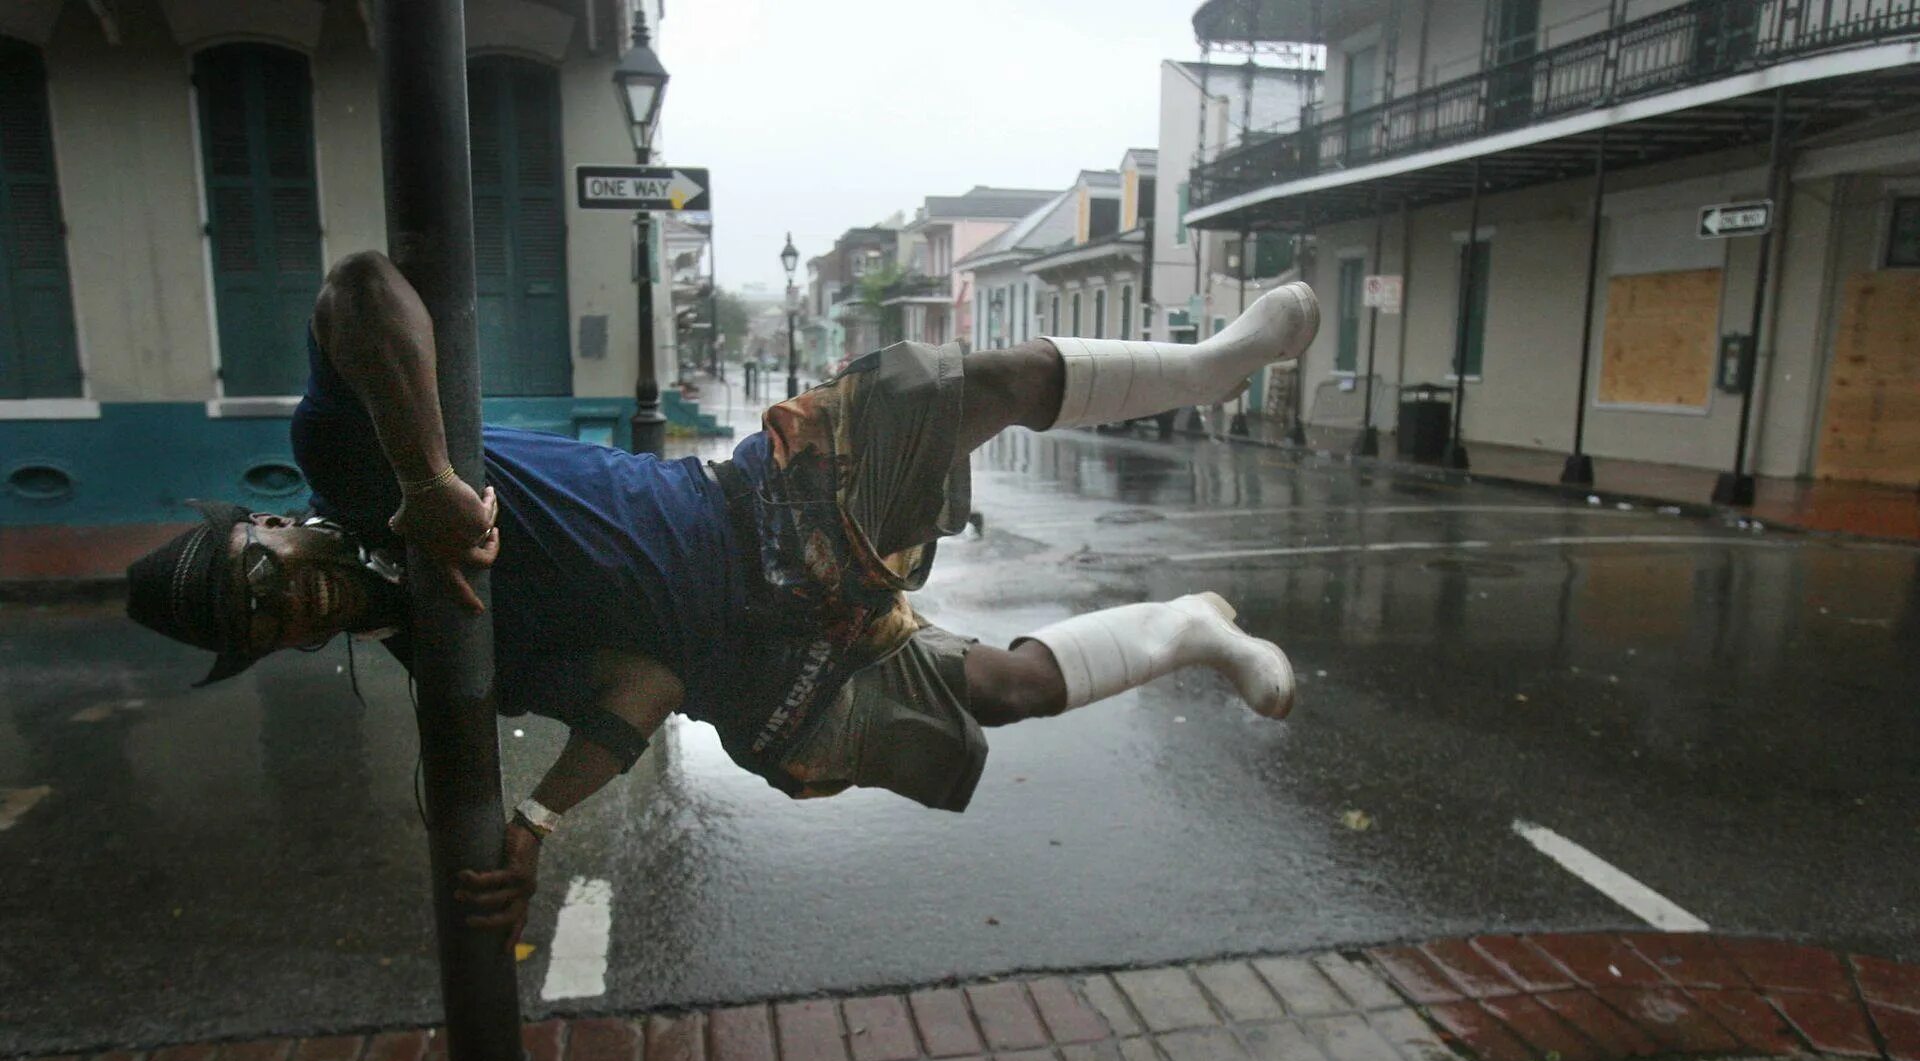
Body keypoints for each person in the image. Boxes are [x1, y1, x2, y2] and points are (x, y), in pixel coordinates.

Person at [125, 251, 1319, 945]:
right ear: (276, 647)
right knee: (999, 693)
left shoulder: (346, 451)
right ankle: (1192, 631)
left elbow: (364, 292)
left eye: (257, 573)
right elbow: (644, 683)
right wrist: (540, 821)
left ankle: (1214, 362)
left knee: (966, 385)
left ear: (264, 525)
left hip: (761, 517)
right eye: (261, 622)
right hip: (765, 678)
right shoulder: (438, 663)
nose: (285, 599)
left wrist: (431, 479)